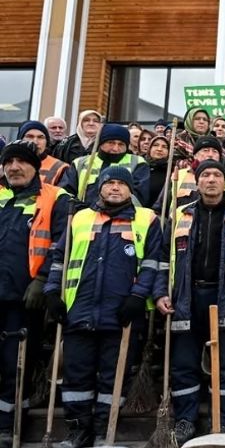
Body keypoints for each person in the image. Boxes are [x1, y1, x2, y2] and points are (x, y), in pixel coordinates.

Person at [45, 166, 162, 448]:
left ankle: (103, 432)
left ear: (131, 190)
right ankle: (77, 430)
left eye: (122, 184)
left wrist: (137, 297)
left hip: (121, 313)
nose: (115, 188)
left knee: (114, 376)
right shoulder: (80, 217)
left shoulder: (146, 219)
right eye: (110, 183)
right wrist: (51, 291)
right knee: (76, 375)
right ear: (99, 187)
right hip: (79, 310)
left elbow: (151, 263)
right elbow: (59, 258)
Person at [153, 160, 225, 445]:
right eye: (205, 175)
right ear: (197, 183)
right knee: (184, 362)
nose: (211, 180)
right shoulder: (179, 215)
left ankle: (220, 421)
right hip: (185, 298)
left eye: (217, 175)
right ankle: (186, 419)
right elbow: (163, 259)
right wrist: (161, 292)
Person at [0, 141, 70, 447]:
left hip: (23, 297)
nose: (14, 167)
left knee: (13, 365)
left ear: (35, 166)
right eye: (8, 162)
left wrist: (43, 280)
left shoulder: (55, 198)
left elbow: (63, 242)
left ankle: (8, 427)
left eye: (21, 162)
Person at [60, 123, 149, 206]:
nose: (115, 148)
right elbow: (66, 193)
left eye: (121, 144)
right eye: (111, 143)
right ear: (101, 143)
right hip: (84, 217)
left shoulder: (137, 162)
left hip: (123, 218)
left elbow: (140, 196)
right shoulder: (80, 163)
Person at [156, 136, 225, 213]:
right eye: (206, 150)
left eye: (215, 151)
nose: (210, 155)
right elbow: (160, 209)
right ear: (195, 155)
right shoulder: (177, 176)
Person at [16, 120, 69, 186]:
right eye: (30, 136)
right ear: (20, 140)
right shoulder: (8, 164)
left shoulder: (60, 168)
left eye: (40, 137)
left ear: (47, 142)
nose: (35, 142)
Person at [145, 135, 170, 208]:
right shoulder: (141, 167)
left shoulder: (171, 170)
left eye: (164, 147)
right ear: (149, 148)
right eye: (156, 145)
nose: (159, 149)